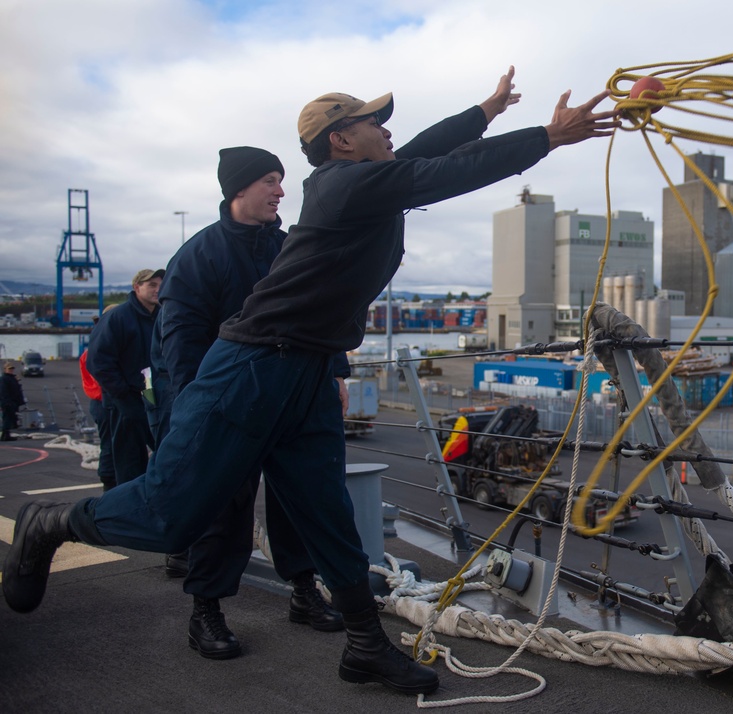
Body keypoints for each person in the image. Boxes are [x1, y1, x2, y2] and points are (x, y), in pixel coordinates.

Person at [3, 67, 619, 695]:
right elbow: (438, 172)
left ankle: (364, 646)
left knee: (326, 515)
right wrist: (546, 135)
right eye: (371, 122)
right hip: (251, 368)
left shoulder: (367, 179)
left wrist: (482, 113)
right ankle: (52, 523)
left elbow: (426, 153)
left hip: (308, 370)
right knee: (170, 518)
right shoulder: (342, 188)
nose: (386, 130)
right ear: (340, 141)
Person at [151, 146, 346, 659]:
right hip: (227, 406)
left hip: (294, 399)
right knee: (224, 507)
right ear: (237, 188)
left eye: (281, 180)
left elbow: (320, 313)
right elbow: (181, 344)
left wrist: (337, 374)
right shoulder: (198, 256)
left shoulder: (289, 246)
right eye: (269, 180)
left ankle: (304, 593)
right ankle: (207, 612)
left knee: (298, 500)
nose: (281, 190)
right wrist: (198, 408)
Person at [86, 270, 163, 485]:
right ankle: (124, 509)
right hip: (125, 401)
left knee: (165, 452)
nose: (158, 289)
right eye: (151, 285)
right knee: (128, 462)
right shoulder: (118, 317)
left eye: (160, 284)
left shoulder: (161, 316)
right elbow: (98, 361)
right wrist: (121, 393)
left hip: (152, 396)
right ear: (137, 287)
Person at [79, 344, 116, 491]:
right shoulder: (97, 354)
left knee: (108, 443)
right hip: (104, 401)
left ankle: (109, 479)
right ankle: (109, 480)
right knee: (110, 444)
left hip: (97, 401)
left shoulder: (87, 355)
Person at [1, 361, 26, 441]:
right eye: (9, 369)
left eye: (12, 368)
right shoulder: (4, 379)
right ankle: (4, 435)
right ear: (5, 369)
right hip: (8, 402)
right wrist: (7, 402)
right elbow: (3, 392)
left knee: (10, 419)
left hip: (13, 402)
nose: (11, 370)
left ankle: (6, 435)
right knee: (7, 419)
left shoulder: (12, 378)